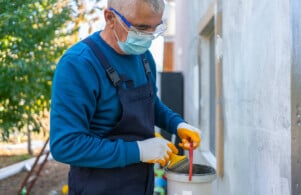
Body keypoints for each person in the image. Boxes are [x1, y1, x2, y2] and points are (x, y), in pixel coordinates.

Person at [50, 0, 201, 194]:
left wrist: (178, 125)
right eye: (141, 27)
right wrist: (139, 151)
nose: (148, 38)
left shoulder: (144, 58)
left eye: (155, 28)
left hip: (141, 184)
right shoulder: (78, 65)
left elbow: (150, 103)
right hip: (97, 187)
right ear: (110, 18)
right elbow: (65, 145)